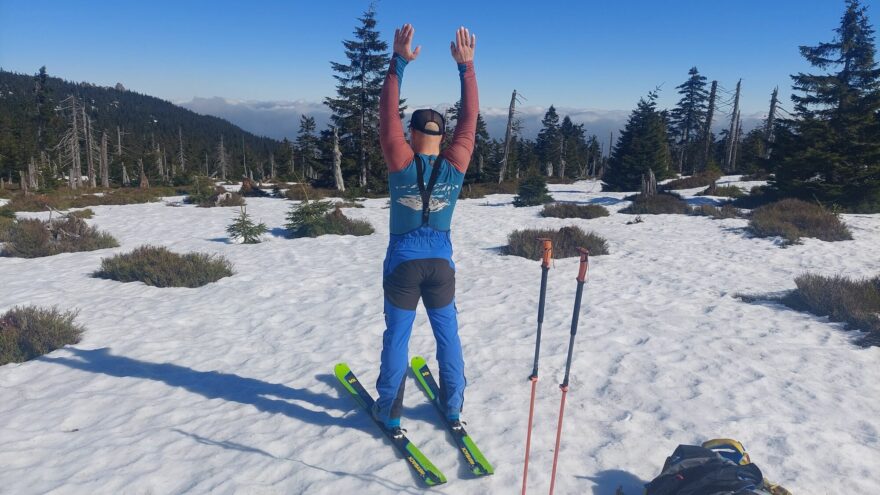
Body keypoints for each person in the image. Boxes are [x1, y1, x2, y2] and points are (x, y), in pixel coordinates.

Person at [371, 24, 478, 436]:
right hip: (441, 265)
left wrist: (398, 62)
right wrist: (466, 67)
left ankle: (391, 411)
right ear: (443, 136)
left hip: (402, 265)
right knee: (447, 337)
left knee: (397, 339)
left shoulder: (400, 158)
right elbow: (470, 118)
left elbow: (386, 114)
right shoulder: (457, 162)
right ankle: (452, 409)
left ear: (412, 134)